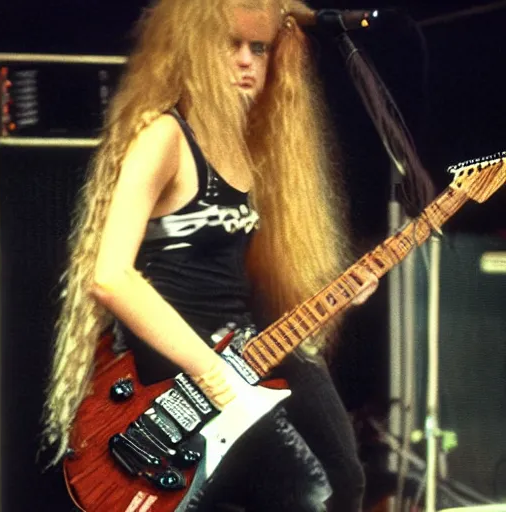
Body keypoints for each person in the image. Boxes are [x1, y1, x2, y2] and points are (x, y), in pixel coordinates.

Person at [43, 0, 378, 510]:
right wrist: (214, 376)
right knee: (309, 490)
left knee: (344, 478)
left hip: (244, 347)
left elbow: (243, 276)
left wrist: (333, 289)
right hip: (176, 369)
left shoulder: (259, 148)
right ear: (196, 48)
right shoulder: (165, 138)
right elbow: (110, 276)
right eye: (231, 44)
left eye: (259, 47)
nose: (246, 60)